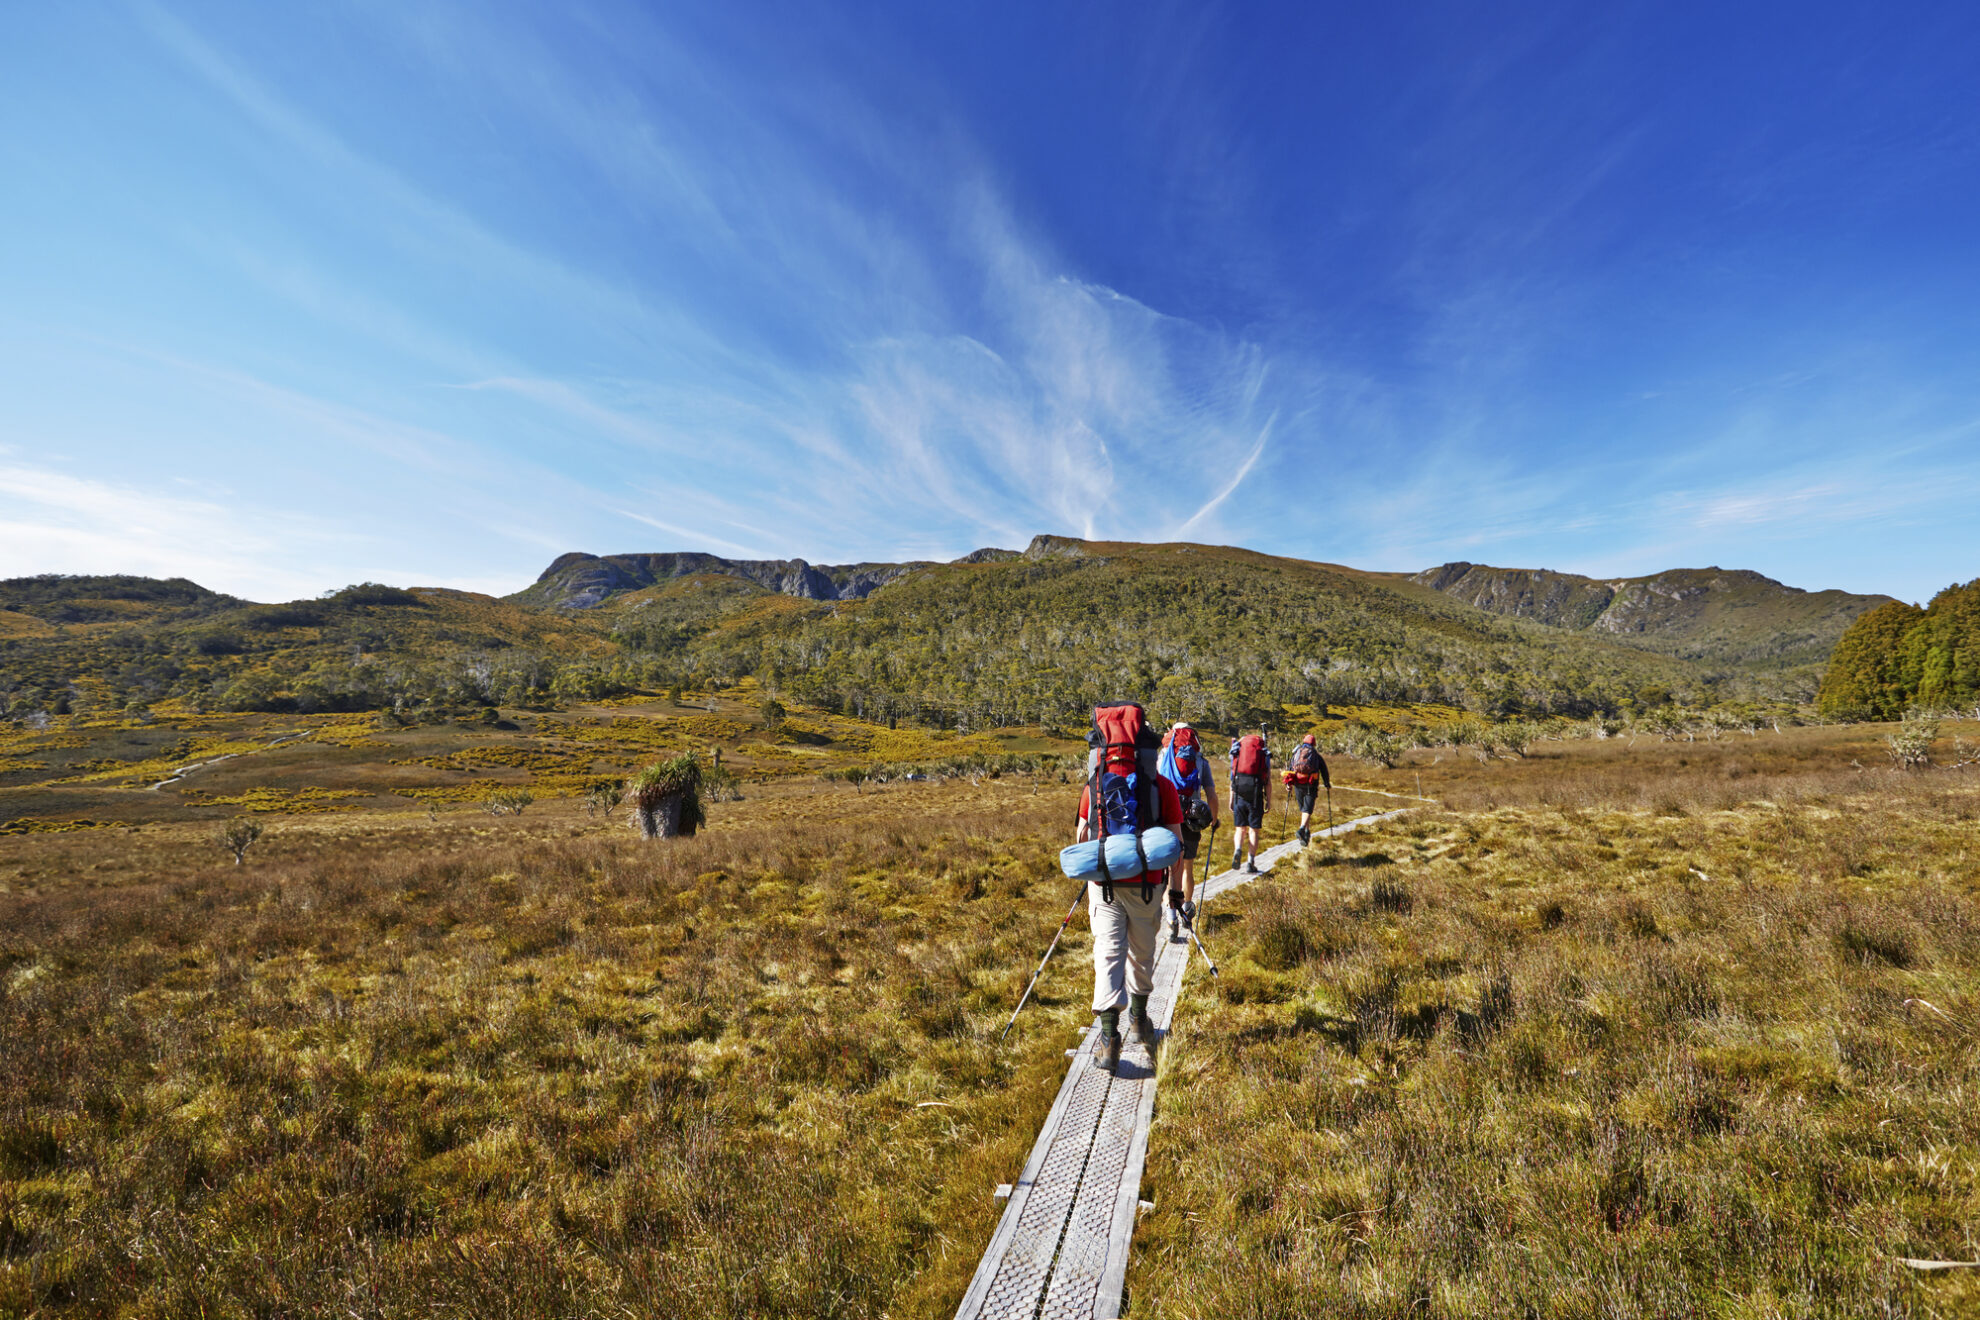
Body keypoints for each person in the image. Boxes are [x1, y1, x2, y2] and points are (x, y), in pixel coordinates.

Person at [1076, 702, 1186, 1072]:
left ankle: (1109, 1039)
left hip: (1103, 883)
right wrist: (1173, 892)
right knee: (1141, 953)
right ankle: (1139, 1022)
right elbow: (1175, 846)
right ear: (1149, 751)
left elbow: (1081, 836)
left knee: (1108, 953)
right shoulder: (1164, 788)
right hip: (1148, 886)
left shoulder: (1093, 787)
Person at [1156, 721, 1217, 938]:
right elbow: (1211, 795)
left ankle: (1170, 916)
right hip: (1192, 818)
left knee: (1169, 869)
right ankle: (1186, 911)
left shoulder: (1162, 756)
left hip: (1166, 817)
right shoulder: (1200, 760)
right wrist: (1214, 820)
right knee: (1187, 869)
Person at [1228, 728, 1271, 873]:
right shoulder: (1263, 754)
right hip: (1255, 796)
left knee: (1240, 829)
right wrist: (1268, 801)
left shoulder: (1239, 752)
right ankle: (1250, 862)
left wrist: (1231, 799)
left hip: (1239, 794)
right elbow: (1267, 781)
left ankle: (1237, 849)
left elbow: (1233, 777)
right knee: (1254, 831)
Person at [1282, 731, 1331, 846]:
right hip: (1310, 785)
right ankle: (1302, 828)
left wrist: (1288, 784)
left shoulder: (1297, 753)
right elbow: (1324, 770)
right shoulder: (1316, 755)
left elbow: (1290, 769)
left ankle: (1306, 835)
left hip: (1298, 785)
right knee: (1307, 810)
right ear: (1314, 744)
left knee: (1303, 809)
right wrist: (1327, 783)